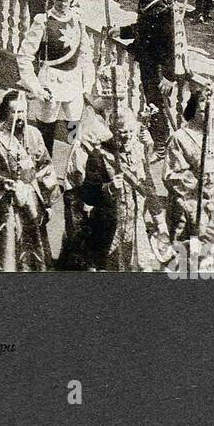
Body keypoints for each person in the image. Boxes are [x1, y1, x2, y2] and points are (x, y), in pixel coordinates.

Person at [62, 64, 165, 271]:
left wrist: (147, 143)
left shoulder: (125, 119)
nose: (116, 104)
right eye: (112, 99)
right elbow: (77, 144)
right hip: (88, 173)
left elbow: (141, 169)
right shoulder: (90, 118)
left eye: (120, 99)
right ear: (103, 96)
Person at [0, 90, 60, 271]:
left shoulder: (34, 134)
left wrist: (47, 200)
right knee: (8, 249)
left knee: (34, 244)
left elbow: (45, 167)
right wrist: (3, 183)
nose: (21, 116)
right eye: (15, 112)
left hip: (32, 200)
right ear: (5, 113)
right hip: (5, 203)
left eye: (23, 111)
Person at [16, 0, 97, 155]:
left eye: (65, 0)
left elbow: (85, 56)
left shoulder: (78, 21)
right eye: (58, 0)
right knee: (46, 130)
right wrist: (35, 87)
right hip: (50, 82)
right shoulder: (43, 21)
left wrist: (87, 85)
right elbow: (24, 56)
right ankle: (44, 167)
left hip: (74, 83)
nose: (61, 4)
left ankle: (74, 168)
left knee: (75, 133)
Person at [163, 79, 214, 271]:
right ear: (194, 110)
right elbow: (172, 175)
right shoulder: (180, 138)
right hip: (191, 206)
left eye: (210, 110)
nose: (207, 114)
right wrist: (199, 187)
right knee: (188, 258)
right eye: (202, 109)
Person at [114, 0, 187, 146]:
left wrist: (169, 76)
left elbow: (171, 43)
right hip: (147, 60)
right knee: (151, 101)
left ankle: (162, 144)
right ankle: (158, 141)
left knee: (157, 105)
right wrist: (121, 31)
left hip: (159, 66)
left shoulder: (164, 7)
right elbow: (143, 28)